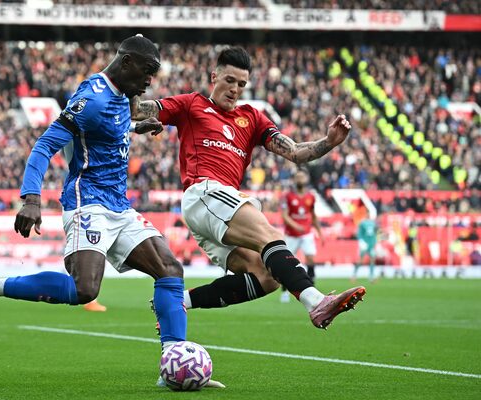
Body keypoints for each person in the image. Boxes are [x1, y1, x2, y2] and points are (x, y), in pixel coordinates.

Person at [0, 35, 188, 381]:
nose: (149, 81)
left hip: (119, 204)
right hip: (88, 202)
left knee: (170, 269)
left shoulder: (120, 95)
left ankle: (174, 364)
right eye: (147, 71)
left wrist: (133, 127)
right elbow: (44, 146)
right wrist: (31, 198)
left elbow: (104, 129)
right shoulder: (92, 99)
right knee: (85, 290)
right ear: (127, 63)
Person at [132, 46, 365, 330]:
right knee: (271, 236)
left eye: (241, 84)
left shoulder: (252, 117)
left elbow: (295, 152)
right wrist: (133, 80)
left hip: (219, 207)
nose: (235, 89)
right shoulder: (192, 104)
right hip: (204, 193)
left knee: (266, 276)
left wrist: (328, 142)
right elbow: (138, 110)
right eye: (229, 80)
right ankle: (315, 301)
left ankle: (177, 301)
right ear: (214, 76)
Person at [279, 169, 323, 303]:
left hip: (307, 233)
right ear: (294, 180)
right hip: (291, 234)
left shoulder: (311, 196)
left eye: (302, 177)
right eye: (297, 177)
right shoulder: (288, 196)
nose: (300, 179)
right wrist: (295, 225)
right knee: (287, 263)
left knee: (310, 258)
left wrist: (320, 233)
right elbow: (285, 215)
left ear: (306, 179)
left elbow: (313, 216)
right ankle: (285, 291)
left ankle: (312, 289)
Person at [352, 210, 379, 282]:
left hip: (371, 244)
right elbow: (359, 233)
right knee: (360, 260)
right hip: (364, 244)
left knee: (372, 259)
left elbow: (375, 233)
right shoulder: (362, 223)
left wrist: (374, 242)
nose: (368, 215)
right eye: (367, 214)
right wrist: (361, 242)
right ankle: (354, 274)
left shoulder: (373, 223)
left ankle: (371, 276)